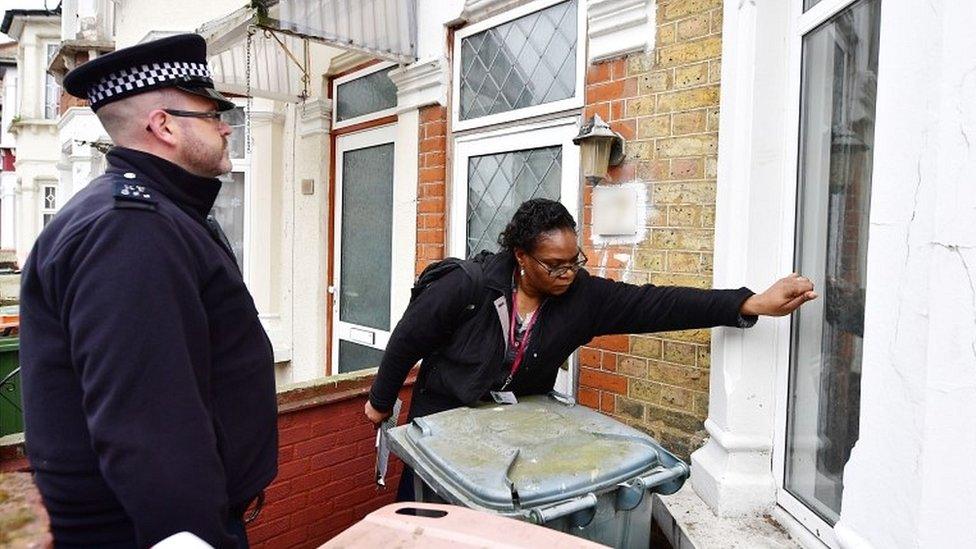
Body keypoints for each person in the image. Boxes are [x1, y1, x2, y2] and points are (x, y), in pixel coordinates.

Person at [365, 198, 816, 499]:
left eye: (574, 262)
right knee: (429, 522)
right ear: (521, 256)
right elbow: (407, 340)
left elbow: (655, 303)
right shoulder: (467, 285)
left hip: (511, 440)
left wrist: (748, 302)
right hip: (444, 431)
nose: (567, 274)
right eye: (554, 265)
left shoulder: (582, 298)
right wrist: (380, 404)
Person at [19, 34, 277, 548]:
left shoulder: (159, 215)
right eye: (210, 114)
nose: (226, 127)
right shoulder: (130, 232)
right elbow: (151, 433)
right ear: (163, 126)